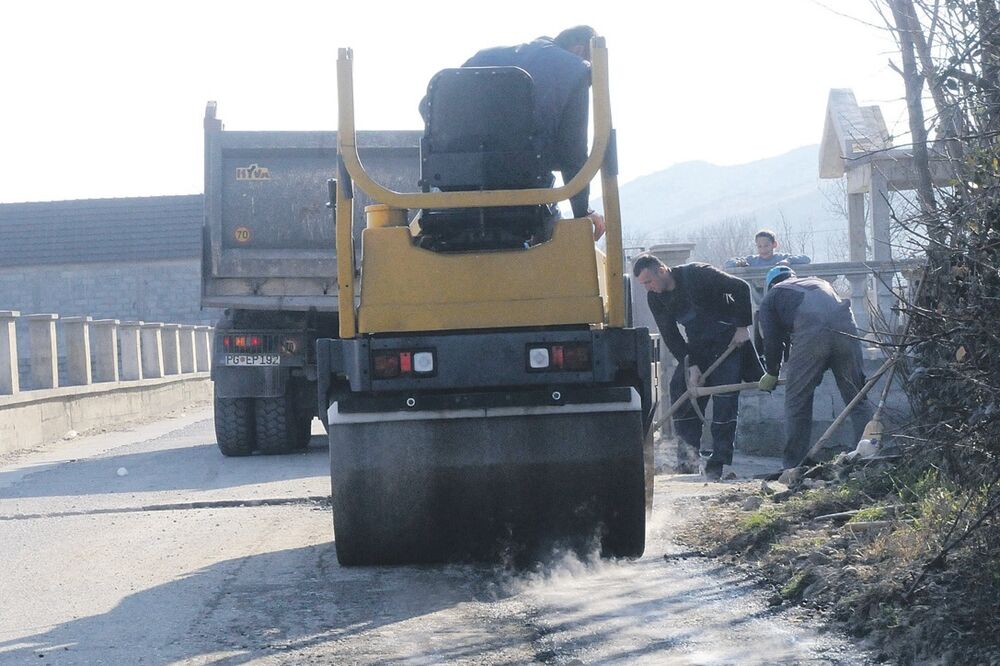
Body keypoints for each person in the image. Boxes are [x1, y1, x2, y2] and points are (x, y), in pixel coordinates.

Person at [435, 26, 606, 241]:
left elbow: (428, 107)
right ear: (580, 51)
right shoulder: (576, 69)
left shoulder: (485, 56)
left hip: (458, 193)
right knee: (557, 245)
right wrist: (583, 211)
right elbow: (573, 151)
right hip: (525, 195)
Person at [633, 255, 755, 480]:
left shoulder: (697, 274)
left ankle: (719, 461)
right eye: (644, 285)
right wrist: (691, 365)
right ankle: (688, 459)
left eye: (649, 281)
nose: (648, 288)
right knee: (680, 387)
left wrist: (742, 327)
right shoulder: (655, 298)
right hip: (697, 346)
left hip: (727, 341)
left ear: (662, 270)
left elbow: (740, 288)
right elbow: (670, 334)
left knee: (724, 397)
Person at [756, 266, 874, 469]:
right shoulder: (818, 283)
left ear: (770, 285)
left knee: (797, 401)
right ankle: (867, 457)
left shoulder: (772, 297)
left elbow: (772, 341)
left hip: (811, 332)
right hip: (847, 329)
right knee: (856, 398)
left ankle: (794, 465)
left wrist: (772, 371)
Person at [724, 229, 811, 268]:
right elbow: (728, 263)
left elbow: (806, 259)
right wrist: (738, 263)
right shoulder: (751, 261)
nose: (763, 250)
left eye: (766, 246)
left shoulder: (782, 258)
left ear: (774, 244)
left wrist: (789, 261)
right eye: (759, 246)